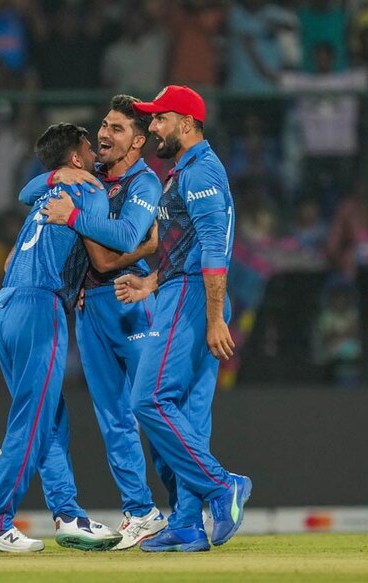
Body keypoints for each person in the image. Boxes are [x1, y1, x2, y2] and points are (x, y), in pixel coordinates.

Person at [18, 95, 169, 549]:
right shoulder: (91, 176)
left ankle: (186, 507)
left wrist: (73, 214)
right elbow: (27, 194)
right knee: (113, 417)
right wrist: (55, 174)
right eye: (103, 124)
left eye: (117, 129)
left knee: (156, 409)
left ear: (138, 141)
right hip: (90, 307)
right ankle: (140, 511)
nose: (103, 134)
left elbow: (126, 236)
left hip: (132, 302)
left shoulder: (145, 184)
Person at [112, 86, 252, 552]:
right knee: (188, 416)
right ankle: (189, 523)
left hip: (194, 299)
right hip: (183, 291)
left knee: (148, 400)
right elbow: (185, 244)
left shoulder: (202, 171)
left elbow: (215, 249)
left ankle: (222, 485)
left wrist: (214, 318)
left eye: (159, 119)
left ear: (188, 123)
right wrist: (151, 282)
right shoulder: (184, 172)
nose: (152, 128)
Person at [0, 123, 122, 553]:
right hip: (40, 308)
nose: (94, 151)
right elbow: (105, 253)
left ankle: (68, 516)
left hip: (8, 307)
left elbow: (17, 223)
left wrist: (53, 176)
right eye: (88, 147)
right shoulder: (88, 190)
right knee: (33, 421)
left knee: (51, 419)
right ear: (75, 158)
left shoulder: (44, 194)